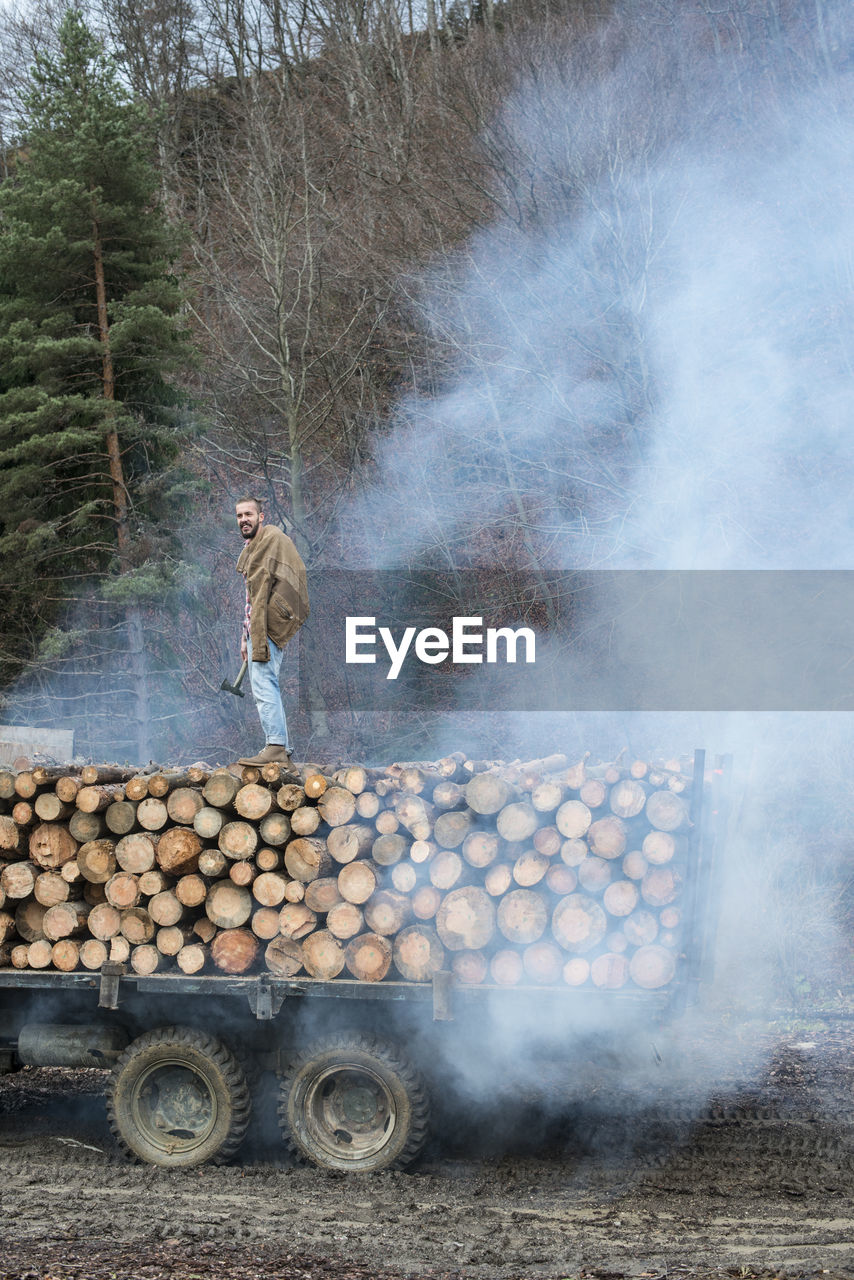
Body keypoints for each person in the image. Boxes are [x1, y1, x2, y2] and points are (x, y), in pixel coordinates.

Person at [234, 496, 309, 766]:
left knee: (265, 685)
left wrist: (280, 613)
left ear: (261, 516)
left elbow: (291, 578)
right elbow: (251, 598)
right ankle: (282, 749)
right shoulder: (252, 548)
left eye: (249, 514)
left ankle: (275, 746)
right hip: (256, 625)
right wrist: (245, 637)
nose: (244, 519)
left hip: (268, 624)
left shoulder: (272, 540)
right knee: (265, 684)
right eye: (240, 515)